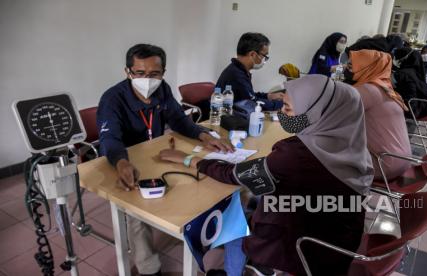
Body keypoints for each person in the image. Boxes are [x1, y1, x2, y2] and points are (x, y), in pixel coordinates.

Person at [159, 74, 374, 275]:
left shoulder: (297, 154)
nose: (282, 114)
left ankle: (245, 269)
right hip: (340, 237)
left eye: (288, 109)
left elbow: (234, 174)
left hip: (306, 246)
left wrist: (187, 159)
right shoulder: (351, 141)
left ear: (315, 113)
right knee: (253, 198)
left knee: (236, 221)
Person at [97, 43, 234, 276]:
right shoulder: (112, 99)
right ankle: (149, 269)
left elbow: (179, 120)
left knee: (192, 184)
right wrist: (122, 163)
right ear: (127, 72)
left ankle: (197, 232)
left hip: (157, 154)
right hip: (125, 160)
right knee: (136, 213)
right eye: (139, 73)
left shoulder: (162, 90)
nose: (147, 79)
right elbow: (110, 140)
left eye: (154, 74)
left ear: (163, 72)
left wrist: (203, 135)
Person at [345, 49, 411, 180]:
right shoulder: (384, 87)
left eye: (353, 65)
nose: (348, 67)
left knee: (319, 154)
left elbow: (332, 116)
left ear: (367, 67)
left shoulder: (368, 90)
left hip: (382, 163)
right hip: (401, 160)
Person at [216, 32, 284, 111]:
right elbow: (253, 104)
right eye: (264, 56)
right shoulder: (236, 75)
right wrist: (284, 103)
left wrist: (268, 96)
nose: (264, 60)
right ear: (252, 54)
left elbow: (251, 95)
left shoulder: (239, 70)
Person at [392, 47, 427, 119]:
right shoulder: (416, 71)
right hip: (419, 108)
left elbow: (388, 84)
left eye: (397, 57)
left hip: (409, 109)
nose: (395, 59)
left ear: (404, 59)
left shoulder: (403, 74)